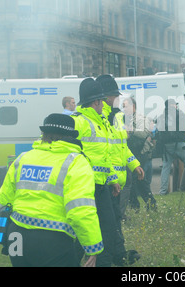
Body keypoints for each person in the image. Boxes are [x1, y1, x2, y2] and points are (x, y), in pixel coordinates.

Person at [0, 113, 103, 267]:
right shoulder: (76, 162)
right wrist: (93, 247)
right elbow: (80, 211)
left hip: (16, 234)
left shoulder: (23, 158)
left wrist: (2, 231)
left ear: (44, 134)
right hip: (53, 240)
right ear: (70, 136)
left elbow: (2, 201)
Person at [71, 78, 119, 267]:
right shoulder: (79, 122)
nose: (104, 104)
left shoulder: (101, 122)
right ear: (96, 102)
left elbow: (105, 157)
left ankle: (102, 263)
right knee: (81, 229)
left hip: (101, 185)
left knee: (107, 228)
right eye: (102, 101)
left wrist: (112, 178)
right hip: (84, 186)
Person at [96, 75, 143, 265]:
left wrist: (134, 164)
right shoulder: (100, 118)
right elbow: (102, 153)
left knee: (114, 219)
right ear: (104, 96)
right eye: (114, 95)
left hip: (114, 180)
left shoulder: (113, 117)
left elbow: (121, 146)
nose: (117, 99)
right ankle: (109, 257)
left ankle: (119, 255)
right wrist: (113, 177)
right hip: (105, 180)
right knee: (108, 222)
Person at [122, 97, 156, 212]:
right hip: (129, 153)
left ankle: (151, 204)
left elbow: (145, 133)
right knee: (130, 180)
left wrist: (131, 130)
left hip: (140, 152)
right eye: (123, 106)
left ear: (133, 106)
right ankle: (134, 205)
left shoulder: (141, 118)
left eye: (126, 106)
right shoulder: (123, 119)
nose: (124, 108)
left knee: (140, 180)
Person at [157, 98, 185, 196]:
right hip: (179, 143)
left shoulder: (161, 117)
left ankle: (163, 191)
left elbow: (159, 132)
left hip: (167, 146)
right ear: (173, 105)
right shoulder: (180, 114)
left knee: (166, 167)